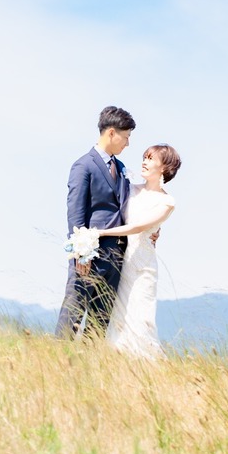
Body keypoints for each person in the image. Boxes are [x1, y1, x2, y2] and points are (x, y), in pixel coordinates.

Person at [55, 106, 135, 338]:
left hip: (116, 256)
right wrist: (81, 254)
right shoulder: (84, 166)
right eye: (126, 137)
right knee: (73, 312)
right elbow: (76, 214)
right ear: (112, 133)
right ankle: (57, 358)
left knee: (100, 321)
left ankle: (90, 366)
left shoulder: (120, 169)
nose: (127, 144)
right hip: (89, 256)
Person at [97, 144, 180, 358]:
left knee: (141, 319)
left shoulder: (166, 202)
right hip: (120, 261)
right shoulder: (130, 189)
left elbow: (138, 227)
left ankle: (148, 367)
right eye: (144, 157)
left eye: (151, 158)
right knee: (119, 316)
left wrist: (102, 233)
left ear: (164, 167)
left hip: (142, 266)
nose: (144, 161)